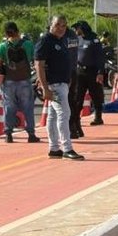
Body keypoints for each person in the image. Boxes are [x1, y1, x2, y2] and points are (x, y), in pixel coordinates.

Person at [34, 15, 84, 160]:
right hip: (54, 85)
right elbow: (39, 64)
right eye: (58, 25)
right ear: (50, 25)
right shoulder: (46, 41)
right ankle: (67, 148)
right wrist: (45, 88)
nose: (61, 28)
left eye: (63, 25)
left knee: (53, 115)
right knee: (64, 113)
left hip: (62, 83)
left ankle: (54, 148)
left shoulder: (61, 40)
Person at [0, 21, 39, 143]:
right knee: (28, 107)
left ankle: (8, 134)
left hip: (9, 81)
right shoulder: (28, 44)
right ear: (18, 30)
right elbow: (34, 60)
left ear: (6, 33)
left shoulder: (3, 46)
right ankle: (31, 134)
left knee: (9, 107)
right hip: (24, 79)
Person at [70, 21, 105, 132]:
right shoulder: (77, 39)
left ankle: (98, 117)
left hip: (92, 72)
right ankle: (76, 122)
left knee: (96, 95)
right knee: (77, 98)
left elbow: (100, 57)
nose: (76, 30)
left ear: (82, 28)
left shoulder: (94, 40)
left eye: (77, 28)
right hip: (80, 72)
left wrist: (100, 72)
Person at [63, 21, 81, 138]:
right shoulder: (73, 36)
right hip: (73, 70)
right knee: (72, 101)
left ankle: (72, 129)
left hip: (66, 72)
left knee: (67, 102)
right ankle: (77, 127)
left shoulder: (64, 37)